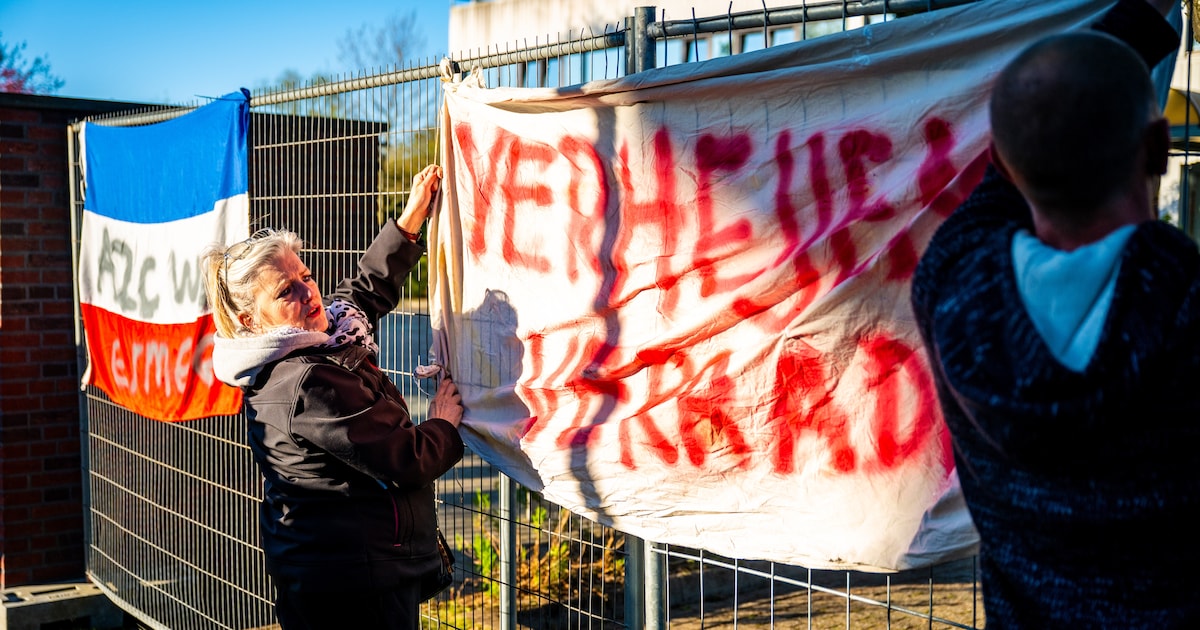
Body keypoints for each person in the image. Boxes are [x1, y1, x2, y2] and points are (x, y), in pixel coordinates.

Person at [911, 0, 1200, 627]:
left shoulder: (951, 281)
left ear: (1011, 161)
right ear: (1158, 144)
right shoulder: (1187, 303)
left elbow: (1003, 168)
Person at [202, 164, 465, 630]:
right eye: (287, 291)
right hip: (354, 589)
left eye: (305, 275)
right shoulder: (305, 381)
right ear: (248, 319)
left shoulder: (314, 338)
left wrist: (408, 224)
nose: (309, 292)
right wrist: (442, 423)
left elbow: (361, 293)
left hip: (338, 572)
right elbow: (405, 457)